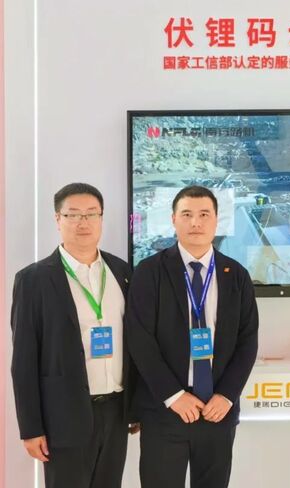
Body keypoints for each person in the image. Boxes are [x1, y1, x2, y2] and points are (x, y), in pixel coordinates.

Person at [127, 185, 258, 488]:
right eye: (186, 214)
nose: (195, 222)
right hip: (165, 410)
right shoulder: (150, 271)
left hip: (217, 410)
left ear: (216, 220)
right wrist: (174, 396)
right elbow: (140, 339)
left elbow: (247, 340)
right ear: (173, 219)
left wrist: (226, 395)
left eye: (204, 214)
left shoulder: (236, 274)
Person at [10, 182, 135, 488]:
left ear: (101, 219)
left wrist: (137, 407)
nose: (83, 222)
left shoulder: (122, 272)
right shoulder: (34, 280)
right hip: (63, 414)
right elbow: (24, 360)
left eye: (92, 214)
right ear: (58, 219)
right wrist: (31, 428)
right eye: (73, 214)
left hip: (116, 411)